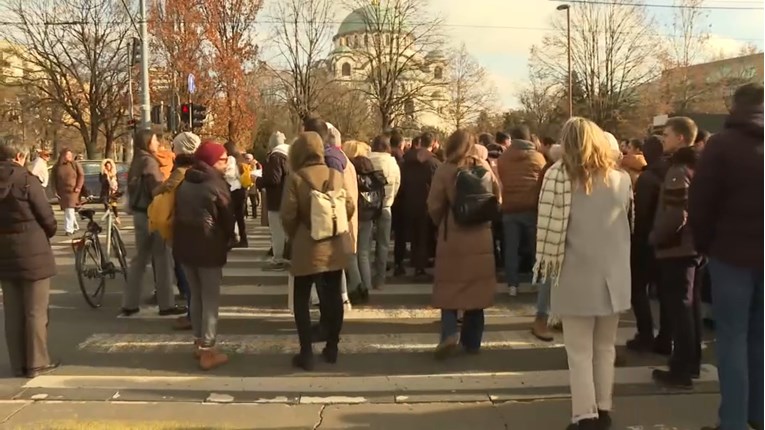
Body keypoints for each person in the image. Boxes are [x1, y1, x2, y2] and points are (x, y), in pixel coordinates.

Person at [535, 117, 631, 430]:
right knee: (605, 348)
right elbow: (629, 225)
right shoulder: (621, 178)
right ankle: (604, 409)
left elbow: (550, 228)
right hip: (614, 274)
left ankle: (584, 415)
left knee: (578, 352)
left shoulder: (559, 176)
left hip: (576, 272)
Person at [690, 83, 763, 430]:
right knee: (759, 336)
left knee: (731, 337)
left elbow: (701, 203)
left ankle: (732, 421)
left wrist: (703, 245)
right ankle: (757, 414)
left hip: (731, 254)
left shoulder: (721, 145)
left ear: (734, 107)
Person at [280, 132, 354, 371]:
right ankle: (332, 347)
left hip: (307, 246)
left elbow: (288, 215)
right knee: (333, 297)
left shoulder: (297, 178)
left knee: (301, 299)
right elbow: (350, 206)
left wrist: (296, 234)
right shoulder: (336, 174)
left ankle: (306, 353)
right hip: (334, 246)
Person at [427, 130, 500, 358]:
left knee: (450, 287)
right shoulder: (484, 166)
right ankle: (473, 342)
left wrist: (442, 222)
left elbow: (434, 204)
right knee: (476, 290)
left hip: (454, 235)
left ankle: (449, 333)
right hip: (481, 234)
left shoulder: (445, 169)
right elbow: (497, 197)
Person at [650, 116, 702, 390]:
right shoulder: (698, 166)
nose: (664, 139)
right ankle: (691, 362)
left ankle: (680, 369)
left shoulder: (677, 170)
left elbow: (674, 213)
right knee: (690, 306)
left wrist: (655, 237)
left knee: (679, 308)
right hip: (694, 246)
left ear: (680, 137)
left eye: (667, 134)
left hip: (676, 247)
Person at [0, 138, 59, 378]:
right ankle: (36, 363)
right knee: (35, 311)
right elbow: (47, 217)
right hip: (33, 252)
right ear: (20, 156)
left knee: (12, 312)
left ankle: (18, 364)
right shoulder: (26, 180)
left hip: (4, 251)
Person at [173, 141, 233, 370]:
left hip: (185, 247)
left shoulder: (186, 181)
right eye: (222, 159)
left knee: (196, 296)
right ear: (210, 161)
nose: (226, 164)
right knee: (210, 299)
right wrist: (230, 238)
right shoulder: (215, 184)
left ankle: (199, 342)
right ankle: (208, 349)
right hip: (208, 247)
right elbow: (228, 219)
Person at [123, 129, 186, 317]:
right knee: (163, 258)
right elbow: (155, 190)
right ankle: (166, 304)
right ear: (147, 142)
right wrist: (170, 183)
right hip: (152, 214)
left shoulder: (136, 160)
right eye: (155, 140)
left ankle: (129, 303)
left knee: (140, 259)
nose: (158, 144)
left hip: (139, 214)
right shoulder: (149, 162)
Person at [496, 125, 548, 338]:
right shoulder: (538, 158)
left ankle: (512, 284)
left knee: (511, 247)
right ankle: (536, 282)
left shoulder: (504, 158)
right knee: (536, 246)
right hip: (531, 207)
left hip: (509, 208)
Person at [626, 135, 671, 354]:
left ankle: (645, 334)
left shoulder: (647, 179)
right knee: (665, 292)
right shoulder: (670, 174)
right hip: (668, 240)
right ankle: (665, 338)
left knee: (637, 289)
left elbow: (641, 215)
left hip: (645, 241)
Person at [161, 131, 202, 331]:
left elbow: (161, 191)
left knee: (188, 275)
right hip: (199, 229)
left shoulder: (181, 172)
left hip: (184, 228)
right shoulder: (202, 168)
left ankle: (193, 316)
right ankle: (194, 313)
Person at [400, 132, 440, 281]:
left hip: (409, 201)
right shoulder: (434, 163)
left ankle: (414, 260)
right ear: (433, 143)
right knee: (424, 235)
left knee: (415, 235)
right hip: (426, 203)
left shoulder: (406, 160)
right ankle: (420, 266)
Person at [342, 140, 378, 304]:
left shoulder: (349, 167)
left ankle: (357, 287)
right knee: (364, 252)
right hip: (369, 213)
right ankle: (368, 284)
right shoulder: (369, 166)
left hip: (355, 214)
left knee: (351, 254)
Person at [368, 134, 401, 291]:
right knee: (383, 244)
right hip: (386, 206)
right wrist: (389, 200)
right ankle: (380, 279)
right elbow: (397, 183)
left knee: (365, 245)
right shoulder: (393, 163)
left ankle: (365, 277)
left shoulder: (367, 159)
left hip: (367, 206)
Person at [259, 132, 290, 270]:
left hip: (277, 199)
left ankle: (278, 258)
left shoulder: (275, 157)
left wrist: (258, 181)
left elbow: (273, 179)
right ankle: (287, 255)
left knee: (277, 230)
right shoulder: (291, 155)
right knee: (286, 230)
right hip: (288, 198)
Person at [52, 148, 84, 235]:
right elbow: (53, 180)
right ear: (63, 156)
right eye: (68, 155)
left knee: (69, 209)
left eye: (71, 155)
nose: (70, 157)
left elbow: (81, 175)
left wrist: (78, 187)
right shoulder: (57, 166)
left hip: (73, 191)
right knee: (68, 210)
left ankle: (68, 229)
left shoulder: (75, 164)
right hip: (62, 191)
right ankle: (75, 226)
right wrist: (54, 190)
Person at [223, 141, 248, 248]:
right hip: (241, 189)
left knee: (230, 216)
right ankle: (243, 239)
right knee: (239, 217)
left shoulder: (231, 159)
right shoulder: (240, 159)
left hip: (233, 189)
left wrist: (222, 173)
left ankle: (232, 238)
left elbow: (230, 174)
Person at [99, 159, 121, 224]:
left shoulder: (114, 173)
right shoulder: (102, 173)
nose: (108, 167)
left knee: (114, 205)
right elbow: (101, 181)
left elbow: (118, 182)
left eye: (109, 165)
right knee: (106, 205)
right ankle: (108, 219)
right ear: (105, 166)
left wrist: (116, 189)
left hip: (113, 192)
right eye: (107, 166)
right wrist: (105, 175)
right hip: (105, 191)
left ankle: (117, 218)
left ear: (111, 166)